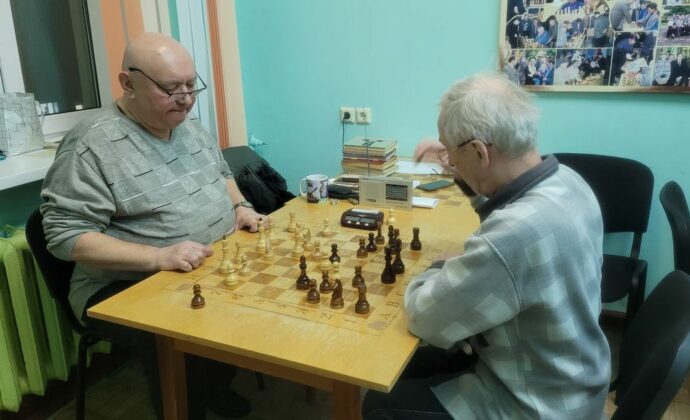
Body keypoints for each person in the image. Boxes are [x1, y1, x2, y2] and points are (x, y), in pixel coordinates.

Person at [41, 32, 266, 419]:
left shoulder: (188, 124)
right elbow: (65, 236)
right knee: (185, 333)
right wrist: (158, 256)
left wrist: (240, 206)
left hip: (203, 261)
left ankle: (214, 388)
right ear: (128, 83)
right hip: (122, 283)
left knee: (245, 301)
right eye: (170, 88)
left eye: (191, 86)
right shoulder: (90, 144)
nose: (185, 100)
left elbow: (220, 173)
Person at [361, 73, 611, 419]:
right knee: (420, 362)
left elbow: (424, 316)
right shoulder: (569, 181)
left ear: (480, 151)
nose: (450, 160)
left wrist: (439, 266)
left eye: (452, 152)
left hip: (534, 406)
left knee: (379, 404)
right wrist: (457, 169)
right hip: (575, 382)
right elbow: (503, 206)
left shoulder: (513, 237)